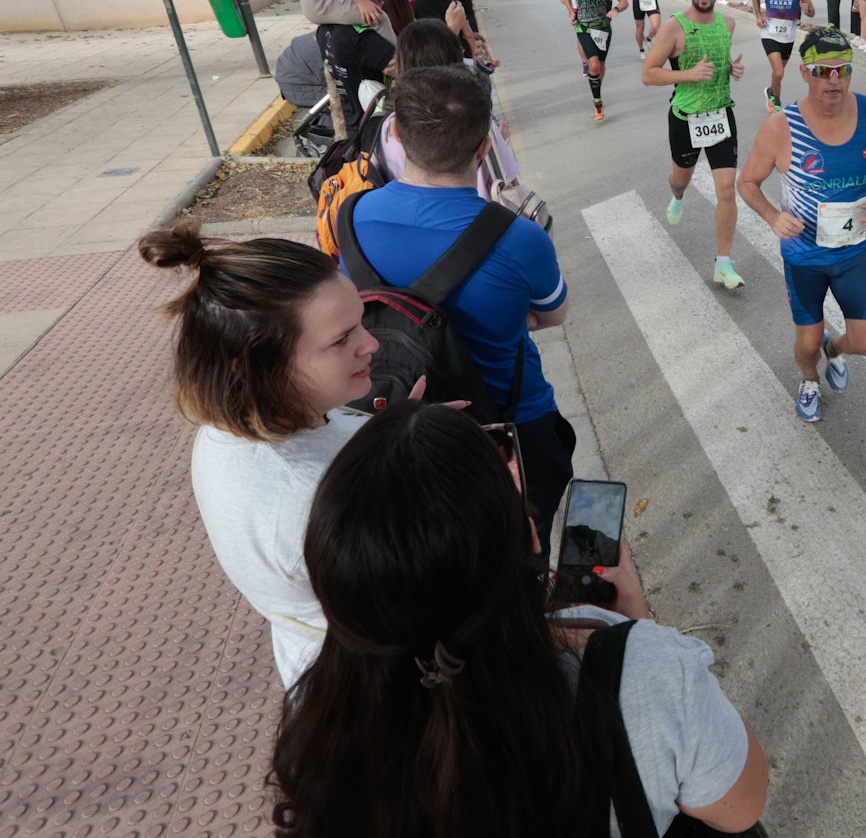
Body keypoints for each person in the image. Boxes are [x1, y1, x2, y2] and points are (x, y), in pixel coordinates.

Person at [268, 400, 769, 835]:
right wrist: (634, 625)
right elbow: (740, 808)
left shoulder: (318, 722)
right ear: (531, 538)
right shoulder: (650, 673)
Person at [138, 220, 379, 689]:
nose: (370, 343)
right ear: (254, 367)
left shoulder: (229, 428)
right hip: (377, 701)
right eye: (341, 339)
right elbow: (428, 619)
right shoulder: (321, 498)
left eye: (361, 323)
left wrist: (397, 435)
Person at [345, 66, 576, 554]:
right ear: (484, 147)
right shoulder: (520, 237)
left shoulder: (350, 218)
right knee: (524, 545)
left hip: (401, 423)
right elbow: (554, 315)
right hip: (511, 426)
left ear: (400, 138)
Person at [736, 28, 866, 423]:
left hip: (855, 254)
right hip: (804, 257)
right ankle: (810, 379)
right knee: (807, 342)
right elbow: (746, 183)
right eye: (822, 71)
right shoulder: (781, 127)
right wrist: (772, 216)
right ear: (804, 72)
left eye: (842, 70)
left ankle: (836, 350)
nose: (834, 79)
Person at [643, 0, 749, 292]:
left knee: (726, 190)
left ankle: (723, 264)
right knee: (680, 178)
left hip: (720, 116)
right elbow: (649, 73)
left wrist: (730, 68)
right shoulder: (674, 27)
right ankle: (677, 196)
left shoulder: (727, 23)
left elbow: (717, 57)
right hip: (686, 118)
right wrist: (687, 75)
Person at [372, 18, 521, 202]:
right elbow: (512, 192)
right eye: (459, 49)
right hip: (477, 226)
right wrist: (496, 147)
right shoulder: (476, 121)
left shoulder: (383, 128)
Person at [317, 0, 395, 130]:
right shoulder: (363, 39)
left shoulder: (324, 30)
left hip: (354, 128)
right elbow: (411, 74)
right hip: (377, 131)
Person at [561, 0, 629, 122]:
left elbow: (624, 2)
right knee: (593, 65)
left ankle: (596, 86)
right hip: (583, 28)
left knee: (600, 65)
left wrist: (615, 9)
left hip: (603, 29)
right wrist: (571, 12)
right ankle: (598, 102)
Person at [752, 0, 816, 112]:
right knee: (779, 72)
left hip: (788, 34)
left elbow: (812, 12)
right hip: (769, 33)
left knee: (777, 74)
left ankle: (771, 91)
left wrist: (806, 9)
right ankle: (776, 104)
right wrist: (758, 16)